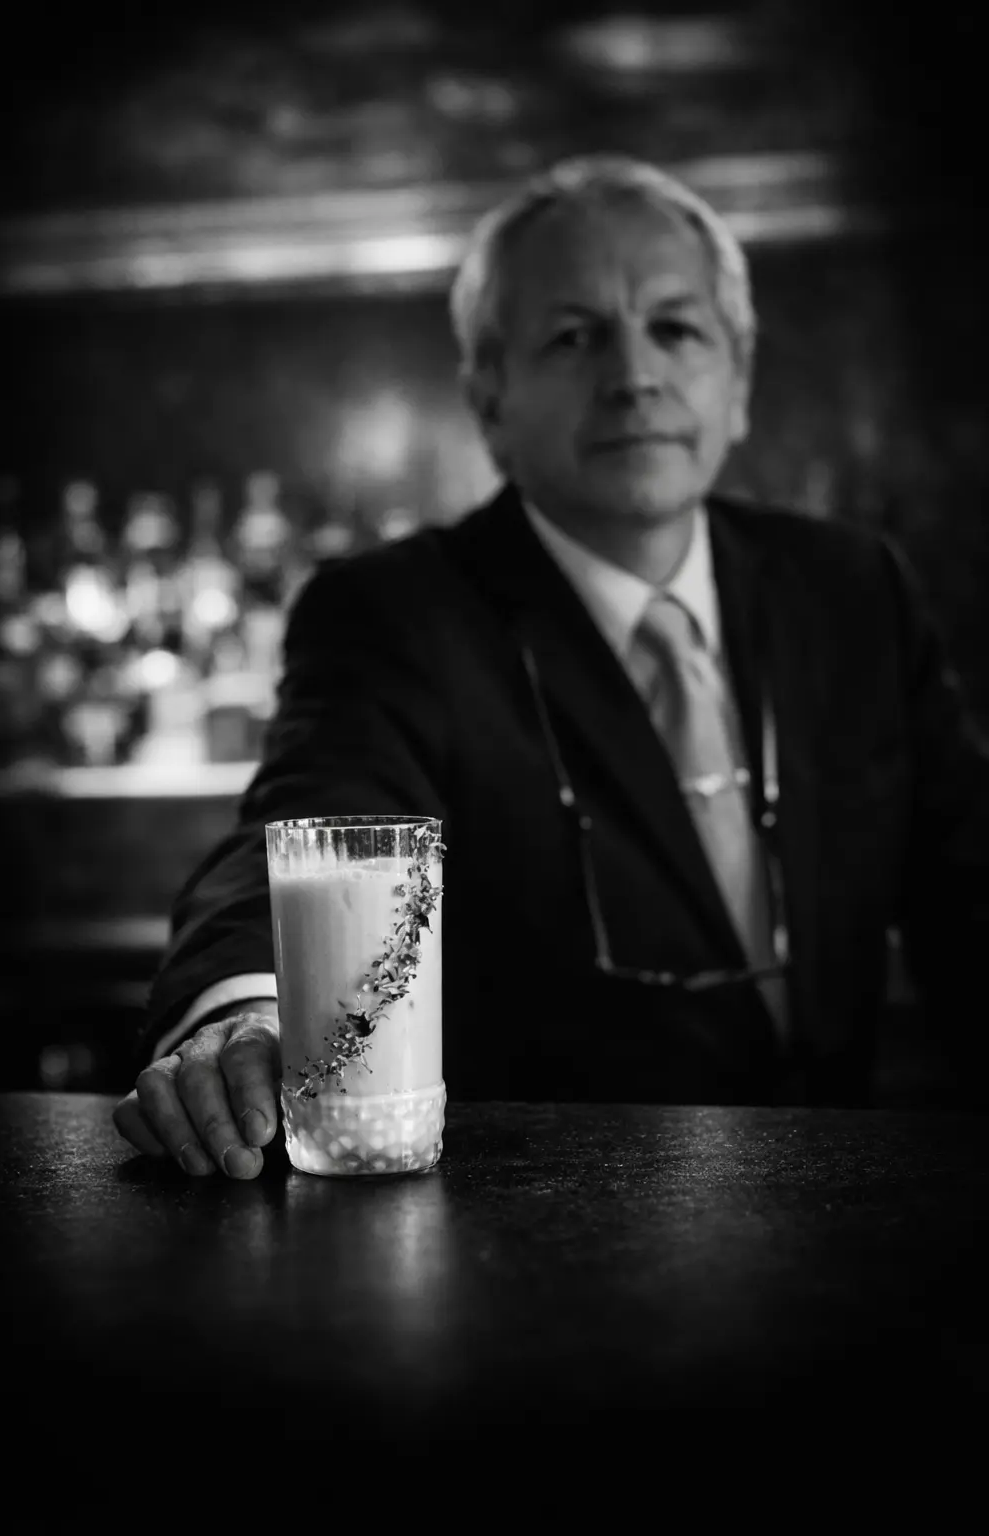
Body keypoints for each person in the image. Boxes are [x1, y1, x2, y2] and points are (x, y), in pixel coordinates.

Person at [114, 154, 989, 1179]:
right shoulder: (397, 614)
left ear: (739, 380)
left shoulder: (851, 590)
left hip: (838, 1209)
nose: (635, 376)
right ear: (488, 398)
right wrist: (248, 1009)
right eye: (574, 337)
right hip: (545, 1230)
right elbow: (309, 826)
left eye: (676, 328)